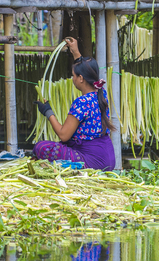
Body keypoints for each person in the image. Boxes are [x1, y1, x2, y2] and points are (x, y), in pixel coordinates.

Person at [32, 37, 116, 171]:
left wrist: (48, 111)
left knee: (40, 147)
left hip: (91, 161)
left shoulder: (82, 102)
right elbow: (85, 68)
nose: (73, 79)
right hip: (108, 158)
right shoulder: (101, 92)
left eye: (74, 76)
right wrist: (75, 52)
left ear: (81, 78)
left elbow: (64, 135)